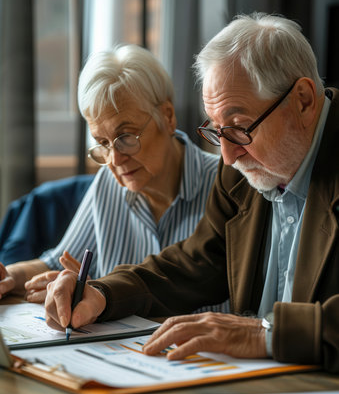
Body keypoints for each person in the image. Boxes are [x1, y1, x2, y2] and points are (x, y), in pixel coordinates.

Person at [44, 12, 339, 371]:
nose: (228, 158)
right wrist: (104, 293)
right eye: (217, 131)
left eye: (240, 128)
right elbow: (195, 264)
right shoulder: (241, 171)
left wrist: (264, 334)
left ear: (304, 100)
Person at [0, 44, 219, 306]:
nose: (115, 159)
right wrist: (9, 277)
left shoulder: (224, 185)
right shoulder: (109, 183)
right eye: (102, 143)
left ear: (168, 116)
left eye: (126, 137)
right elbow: (55, 262)